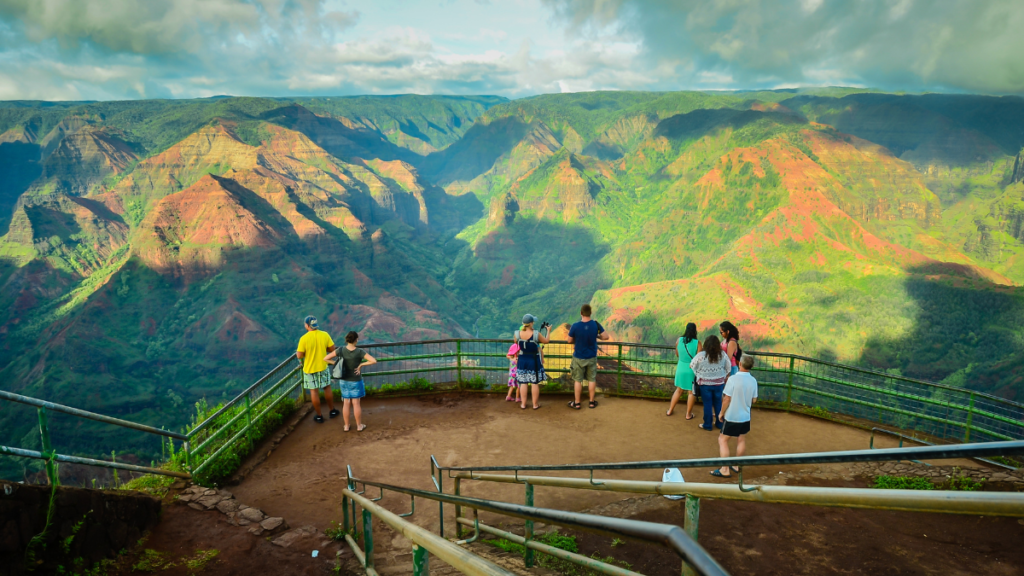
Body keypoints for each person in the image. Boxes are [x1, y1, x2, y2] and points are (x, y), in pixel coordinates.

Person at [711, 354, 758, 478]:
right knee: (741, 439)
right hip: (745, 416)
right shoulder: (753, 380)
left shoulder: (733, 379)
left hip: (732, 416)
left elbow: (727, 399)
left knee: (722, 440)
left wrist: (721, 413)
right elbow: (754, 400)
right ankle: (737, 465)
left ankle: (725, 469)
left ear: (740, 364)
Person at [325, 331, 377, 432]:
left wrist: (337, 364)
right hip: (355, 380)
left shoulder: (340, 350)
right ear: (356, 340)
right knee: (356, 403)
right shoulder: (359, 352)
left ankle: (346, 426)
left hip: (344, 380)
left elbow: (325, 358)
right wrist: (361, 365)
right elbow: (373, 360)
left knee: (346, 403)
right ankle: (359, 426)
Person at [566, 304, 610, 410]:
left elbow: (569, 340)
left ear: (581, 313)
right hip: (591, 357)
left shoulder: (575, 326)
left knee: (578, 380)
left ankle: (577, 403)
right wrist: (597, 335)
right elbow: (606, 336)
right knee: (591, 379)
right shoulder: (595, 325)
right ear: (590, 313)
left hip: (579, 357)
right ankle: (591, 402)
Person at [296, 316, 337, 423]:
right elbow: (332, 349)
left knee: (314, 392)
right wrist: (323, 349)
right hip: (323, 366)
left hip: (310, 369)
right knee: (327, 388)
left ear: (307, 325)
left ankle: (319, 416)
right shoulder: (324, 334)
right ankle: (332, 411)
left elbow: (299, 355)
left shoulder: (303, 339)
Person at [689, 335, 731, 431]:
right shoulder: (722, 354)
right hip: (719, 384)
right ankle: (720, 424)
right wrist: (723, 376)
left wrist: (699, 373)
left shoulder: (701, 355)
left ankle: (708, 424)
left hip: (705, 384)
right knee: (718, 404)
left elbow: (692, 365)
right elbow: (728, 368)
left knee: (707, 404)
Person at [515, 314, 550, 410]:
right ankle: (535, 404)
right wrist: (548, 331)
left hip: (522, 359)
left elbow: (516, 343)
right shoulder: (536, 334)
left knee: (523, 382)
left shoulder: (517, 334)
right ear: (531, 323)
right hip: (533, 359)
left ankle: (523, 404)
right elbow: (546, 341)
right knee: (534, 383)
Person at [667, 323, 700, 418]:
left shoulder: (679, 340)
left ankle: (670, 410)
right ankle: (688, 414)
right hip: (691, 369)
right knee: (691, 392)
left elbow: (677, 354)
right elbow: (699, 359)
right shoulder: (697, 343)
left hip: (680, 367)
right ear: (695, 331)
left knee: (678, 390)